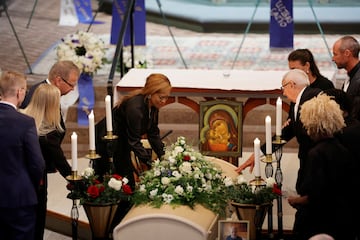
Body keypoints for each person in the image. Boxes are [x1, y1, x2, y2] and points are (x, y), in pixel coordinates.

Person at [96, 73, 172, 227]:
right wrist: (150, 162)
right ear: (151, 92)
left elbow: (153, 133)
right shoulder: (136, 108)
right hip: (109, 142)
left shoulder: (152, 105)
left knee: (127, 182)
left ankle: (122, 223)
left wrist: (165, 156)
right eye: (161, 97)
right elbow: (135, 141)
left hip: (123, 141)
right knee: (122, 182)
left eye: (166, 98)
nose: (164, 102)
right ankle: (115, 226)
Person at [20, 60, 80, 240]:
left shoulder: (44, 91)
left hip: (38, 166)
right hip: (33, 170)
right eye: (71, 84)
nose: (72, 89)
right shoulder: (40, 95)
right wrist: (71, 176)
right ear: (58, 80)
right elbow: (49, 143)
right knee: (36, 215)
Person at [290, 93, 357, 239]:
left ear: (312, 123)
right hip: (343, 220)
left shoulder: (316, 154)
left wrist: (295, 200)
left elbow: (316, 196)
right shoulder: (342, 149)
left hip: (320, 224)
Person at [0, 70, 45, 239]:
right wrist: (29, 185)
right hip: (19, 197)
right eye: (25, 91)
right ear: (19, 92)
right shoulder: (24, 122)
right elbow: (37, 163)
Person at [332, 35, 360, 119]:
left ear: (347, 53)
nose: (333, 59)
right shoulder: (350, 76)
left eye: (335, 54)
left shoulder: (357, 79)